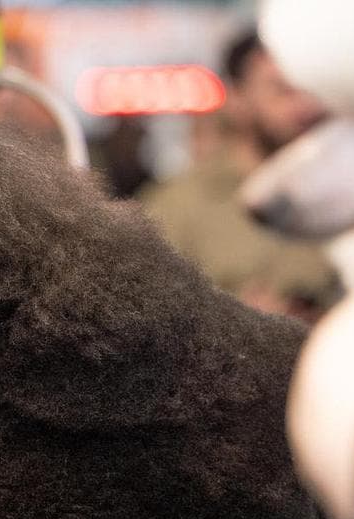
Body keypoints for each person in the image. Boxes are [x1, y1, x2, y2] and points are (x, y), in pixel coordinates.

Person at [144, 30, 340, 322]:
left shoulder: (348, 192)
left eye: (311, 90)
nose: (304, 106)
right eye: (283, 91)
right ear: (237, 98)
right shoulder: (177, 205)